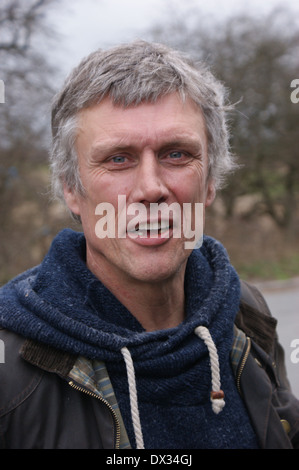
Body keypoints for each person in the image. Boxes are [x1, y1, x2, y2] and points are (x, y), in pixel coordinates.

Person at [0, 40, 298, 450]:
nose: (151, 188)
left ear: (210, 180)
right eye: (118, 159)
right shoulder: (9, 371)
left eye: (177, 154)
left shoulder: (245, 313)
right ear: (71, 188)